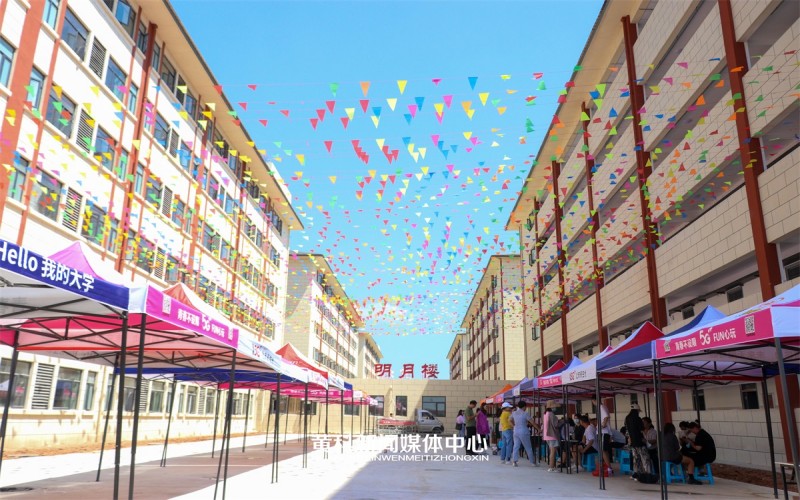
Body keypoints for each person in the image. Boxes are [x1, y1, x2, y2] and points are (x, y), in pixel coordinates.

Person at [624, 403, 652, 479]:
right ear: (636, 410)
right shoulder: (638, 418)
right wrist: (645, 439)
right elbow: (642, 430)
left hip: (632, 443)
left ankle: (636, 473)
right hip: (640, 441)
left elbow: (627, 431)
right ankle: (647, 474)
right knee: (645, 458)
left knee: (636, 459)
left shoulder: (627, 418)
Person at [511, 401, 539, 467]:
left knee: (516, 446)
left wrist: (514, 425)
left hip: (516, 431)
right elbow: (532, 422)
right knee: (528, 447)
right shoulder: (525, 413)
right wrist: (538, 429)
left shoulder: (514, 413)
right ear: (524, 406)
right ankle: (532, 462)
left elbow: (509, 420)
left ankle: (514, 461)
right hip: (524, 431)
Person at [592, 397, 613, 472]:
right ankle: (608, 467)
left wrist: (603, 425)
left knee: (603, 450)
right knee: (604, 450)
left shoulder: (601, 407)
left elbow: (606, 416)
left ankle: (609, 468)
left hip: (603, 432)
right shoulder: (602, 407)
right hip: (603, 432)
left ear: (594, 400)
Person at [542, 400, 560, 472]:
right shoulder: (551, 414)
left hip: (547, 435)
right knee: (553, 452)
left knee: (551, 451)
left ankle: (552, 466)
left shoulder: (545, 414)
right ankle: (551, 467)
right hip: (552, 435)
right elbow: (555, 425)